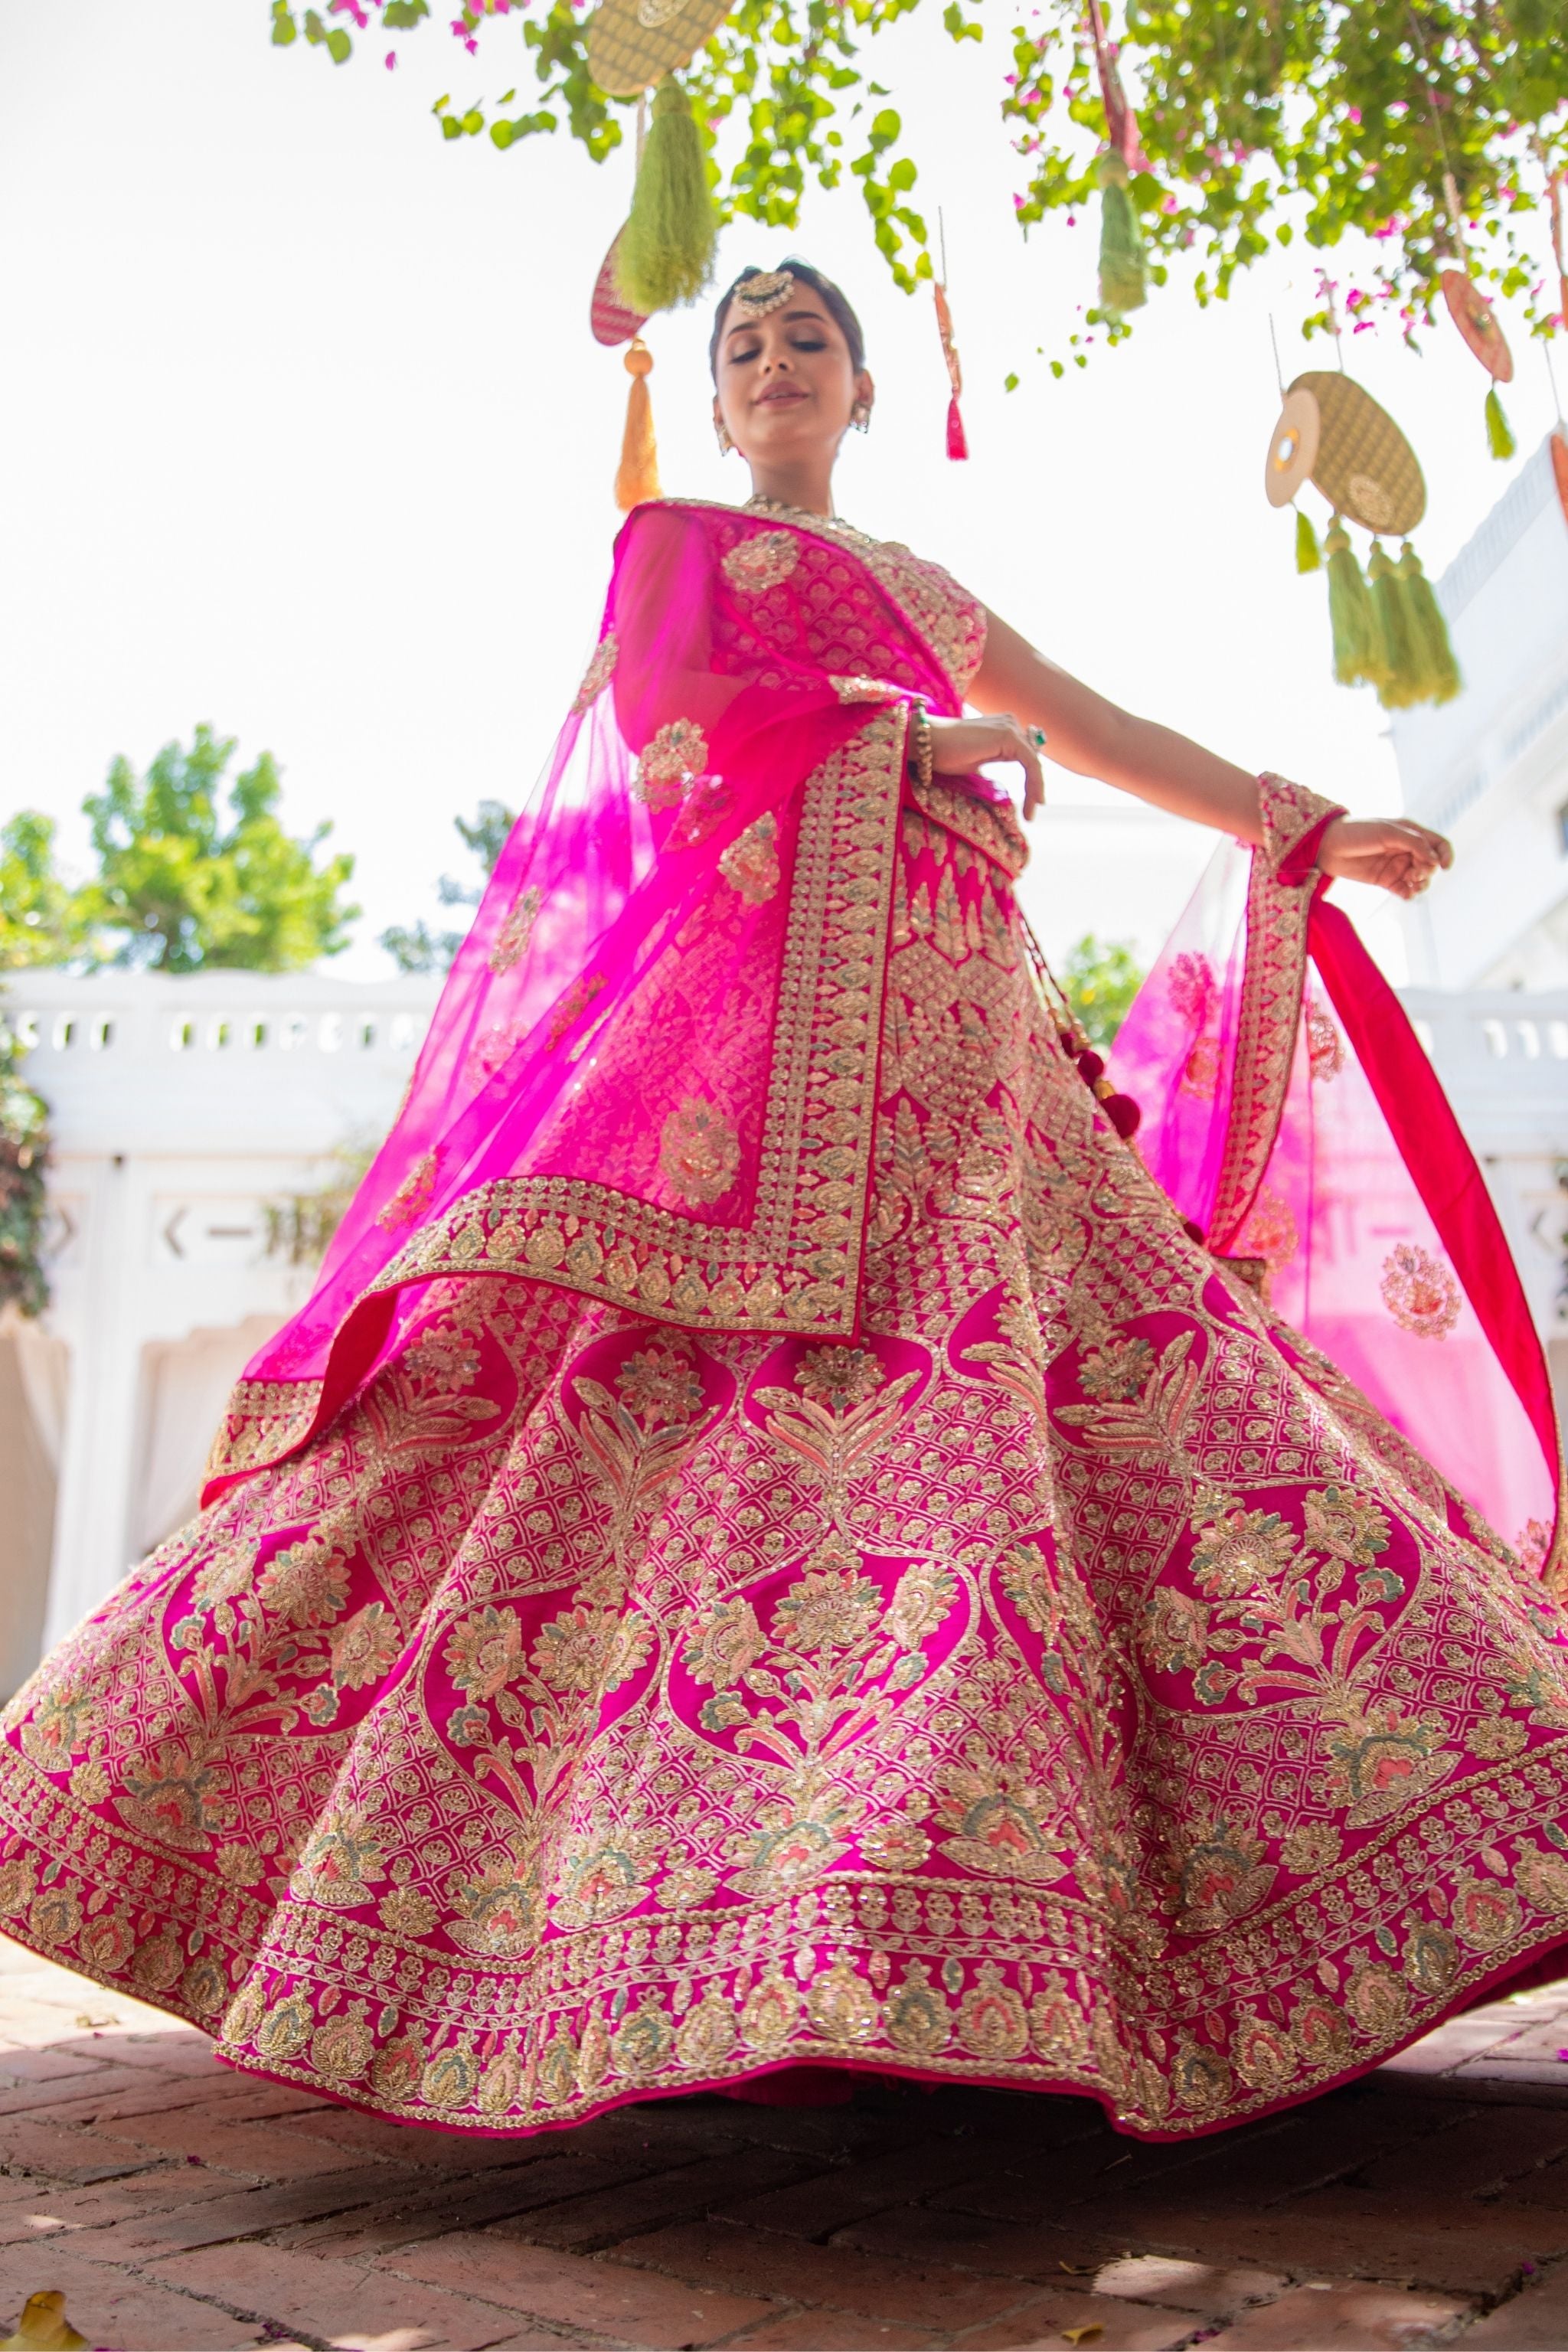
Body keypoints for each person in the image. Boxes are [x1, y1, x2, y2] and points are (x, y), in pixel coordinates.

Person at [2, 260, 1563, 2146]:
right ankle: (611, 1926)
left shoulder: (924, 589)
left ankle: (993, 1924)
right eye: (743, 345)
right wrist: (892, 743)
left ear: (862, 385)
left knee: (1069, 1396)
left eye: (806, 341)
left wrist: (1291, 823)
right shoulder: (676, 555)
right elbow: (669, 759)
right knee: (580, 1428)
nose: (771, 367)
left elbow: (1091, 726)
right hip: (738, 1056)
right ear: (720, 392)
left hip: (960, 1035)